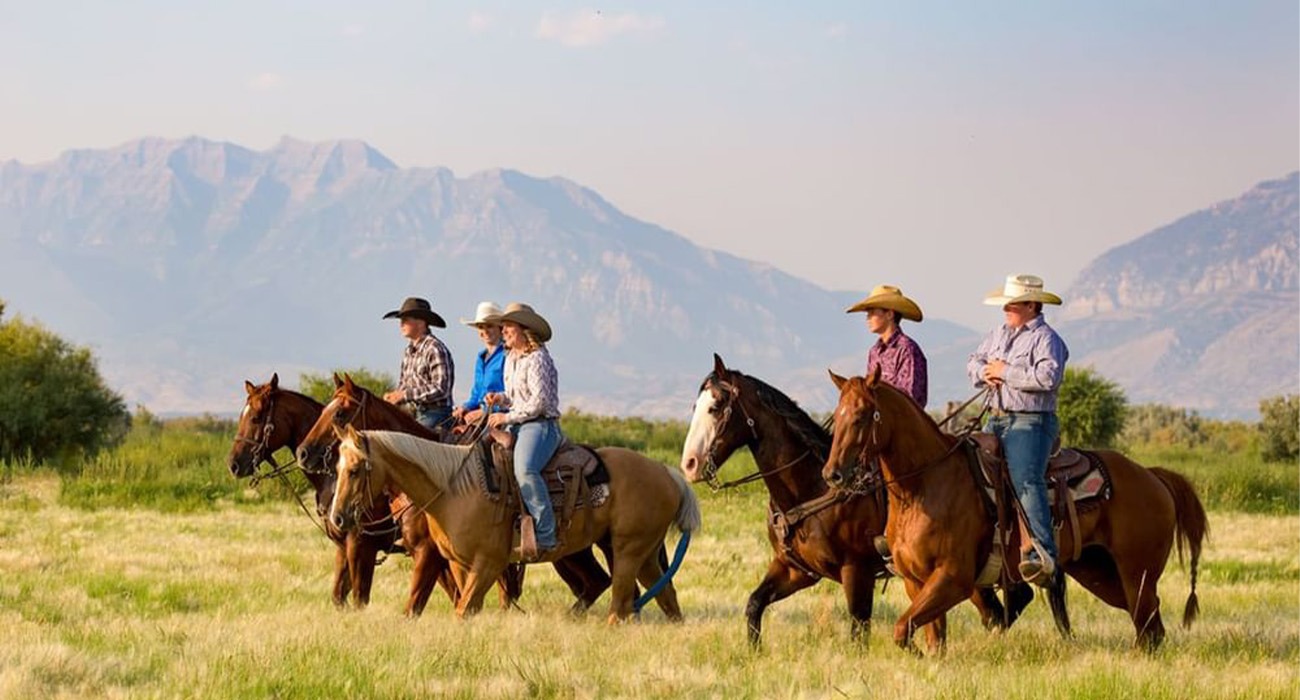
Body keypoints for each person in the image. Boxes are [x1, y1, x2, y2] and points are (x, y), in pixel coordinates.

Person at [966, 274, 1069, 586]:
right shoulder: (998, 333)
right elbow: (973, 361)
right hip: (995, 418)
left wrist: (1005, 372)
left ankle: (1041, 554)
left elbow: (1048, 378)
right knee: (970, 472)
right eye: (1005, 303)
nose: (1005, 308)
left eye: (1012, 303)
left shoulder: (1047, 339)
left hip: (1031, 421)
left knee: (1025, 479)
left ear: (1031, 305)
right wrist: (985, 372)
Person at [486, 303, 562, 560]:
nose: (503, 330)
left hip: (540, 425)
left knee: (525, 469)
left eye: (508, 326)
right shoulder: (511, 359)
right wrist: (501, 398)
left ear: (523, 329)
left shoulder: (537, 358)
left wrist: (506, 416)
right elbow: (518, 397)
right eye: (504, 326)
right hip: (518, 422)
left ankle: (546, 534)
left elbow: (538, 403)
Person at [846, 285, 928, 408]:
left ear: (889, 314)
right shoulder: (874, 352)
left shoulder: (907, 350)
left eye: (872, 312)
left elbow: (911, 399)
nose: (867, 318)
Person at [381, 297, 455, 431]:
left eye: (406, 320)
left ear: (421, 323)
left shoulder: (435, 348)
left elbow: (441, 389)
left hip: (437, 414)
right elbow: (404, 384)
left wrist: (404, 395)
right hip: (415, 413)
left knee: (408, 441)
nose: (401, 324)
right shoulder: (408, 352)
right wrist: (394, 396)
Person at [451, 301, 507, 428]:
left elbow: (511, 393)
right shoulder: (480, 358)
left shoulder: (507, 356)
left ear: (500, 328)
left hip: (499, 415)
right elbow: (476, 393)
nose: (485, 331)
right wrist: (465, 407)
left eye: (490, 326)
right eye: (481, 327)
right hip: (480, 413)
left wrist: (484, 412)